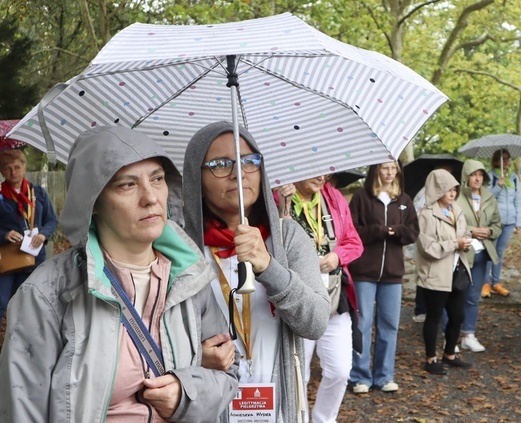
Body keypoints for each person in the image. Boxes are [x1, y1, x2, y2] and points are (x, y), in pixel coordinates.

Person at [0, 126, 239, 421]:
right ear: (93, 201)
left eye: (158, 179)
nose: (151, 197)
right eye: (127, 185)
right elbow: (23, 409)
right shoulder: (48, 293)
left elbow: (229, 375)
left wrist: (186, 391)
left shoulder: (190, 276)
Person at [182, 121, 330, 422]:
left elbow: (315, 322)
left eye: (249, 161)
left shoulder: (287, 238)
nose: (239, 173)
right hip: (211, 409)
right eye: (221, 164)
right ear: (195, 177)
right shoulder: (182, 250)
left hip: (278, 408)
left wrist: (269, 267)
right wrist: (195, 355)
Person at [286, 174, 363, 422]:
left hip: (334, 296)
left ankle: (323, 419)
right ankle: (298, 418)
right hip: (299, 298)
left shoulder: (333, 197)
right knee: (299, 373)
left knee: (340, 370)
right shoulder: (279, 196)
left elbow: (353, 241)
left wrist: (338, 256)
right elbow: (272, 243)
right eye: (314, 170)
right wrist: (283, 209)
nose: (322, 177)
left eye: (326, 172)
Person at [348, 161, 419, 393]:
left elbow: (413, 232)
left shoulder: (404, 200)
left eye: (393, 168)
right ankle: (359, 377)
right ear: (376, 170)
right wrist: (378, 230)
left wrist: (396, 230)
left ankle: (384, 376)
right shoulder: (361, 197)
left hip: (393, 274)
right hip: (364, 272)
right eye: (385, 168)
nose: (390, 173)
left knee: (389, 325)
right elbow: (351, 230)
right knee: (362, 322)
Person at [416, 169, 473, 375]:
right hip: (436, 273)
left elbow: (463, 232)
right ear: (437, 190)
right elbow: (427, 247)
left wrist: (465, 242)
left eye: (455, 189)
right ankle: (430, 359)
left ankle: (450, 353)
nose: (452, 193)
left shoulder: (456, 209)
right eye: (448, 189)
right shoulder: (426, 215)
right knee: (434, 316)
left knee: (458, 315)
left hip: (457, 271)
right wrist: (454, 244)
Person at [0, 149, 58, 321]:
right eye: (7, 168)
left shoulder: (38, 193)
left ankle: (24, 340)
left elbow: (52, 220)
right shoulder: (1, 196)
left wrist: (43, 234)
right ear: (2, 171)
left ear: (24, 167)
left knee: (29, 301)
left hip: (34, 255)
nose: (13, 172)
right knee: (1, 302)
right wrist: (4, 234)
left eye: (17, 167)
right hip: (6, 258)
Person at [455, 159, 501, 352]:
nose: (477, 178)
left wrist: (490, 232)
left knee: (473, 296)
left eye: (481, 174)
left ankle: (468, 335)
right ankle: (449, 335)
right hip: (463, 253)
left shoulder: (490, 197)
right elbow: (452, 223)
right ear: (466, 176)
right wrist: (472, 230)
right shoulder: (456, 196)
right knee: (455, 294)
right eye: (474, 174)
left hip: (482, 253)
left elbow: (498, 225)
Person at [483, 149, 521, 298]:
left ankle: (496, 283)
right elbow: (487, 197)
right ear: (496, 161)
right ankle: (485, 283)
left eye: (508, 158)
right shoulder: (489, 176)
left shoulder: (513, 178)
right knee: (489, 252)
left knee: (499, 253)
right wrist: (498, 185)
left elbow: (517, 200)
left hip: (509, 220)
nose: (506, 161)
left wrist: (518, 221)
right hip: (494, 221)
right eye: (502, 159)